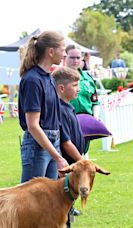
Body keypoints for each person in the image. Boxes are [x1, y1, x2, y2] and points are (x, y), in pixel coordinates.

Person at [18, 31, 69, 183]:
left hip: (53, 142)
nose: (65, 54)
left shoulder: (49, 78)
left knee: (48, 200)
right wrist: (57, 156)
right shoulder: (33, 80)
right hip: (37, 146)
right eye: (62, 49)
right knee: (30, 202)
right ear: (51, 51)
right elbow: (33, 126)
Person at [53, 66, 85, 227]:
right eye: (74, 86)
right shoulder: (60, 109)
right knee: (63, 205)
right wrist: (83, 161)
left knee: (70, 204)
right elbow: (66, 143)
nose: (78, 89)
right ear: (61, 88)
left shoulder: (69, 107)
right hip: (66, 166)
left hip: (73, 164)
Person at [65, 45, 100, 157]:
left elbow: (95, 101)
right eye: (72, 57)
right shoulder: (58, 77)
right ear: (65, 57)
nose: (75, 61)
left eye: (78, 57)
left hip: (86, 124)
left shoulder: (87, 78)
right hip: (68, 123)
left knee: (82, 154)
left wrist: (95, 119)